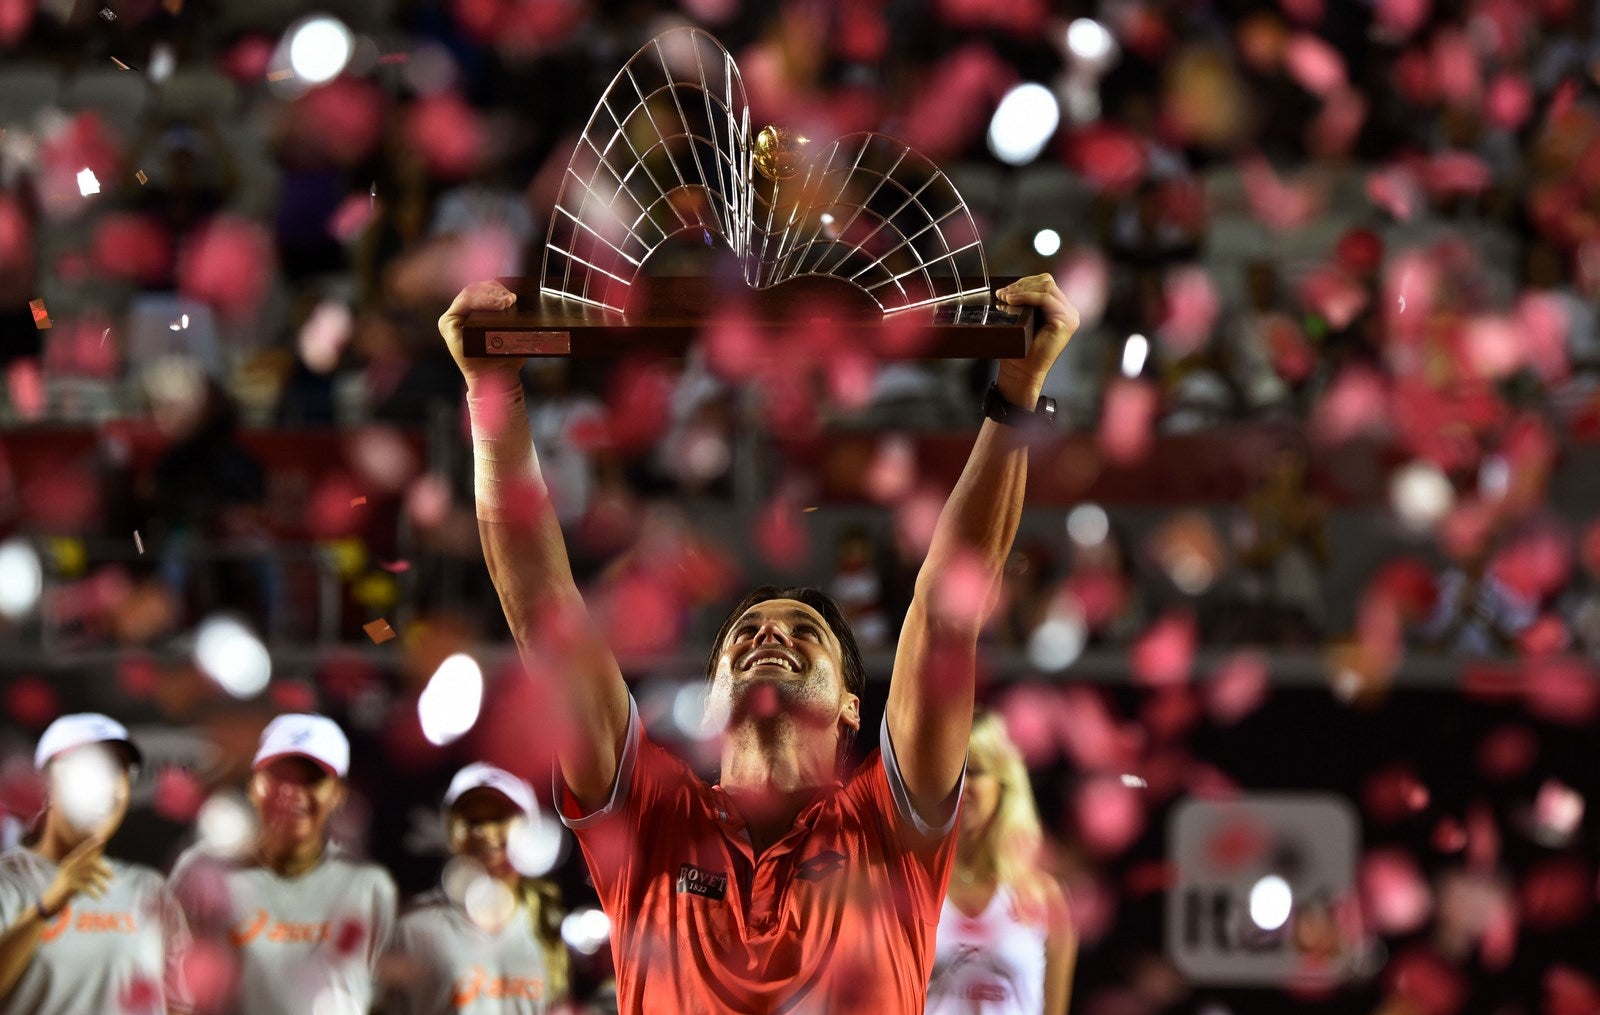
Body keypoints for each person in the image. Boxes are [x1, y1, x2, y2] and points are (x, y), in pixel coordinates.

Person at [438, 273, 1076, 1012]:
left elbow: (947, 611)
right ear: (709, 701)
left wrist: (1018, 393)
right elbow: (541, 606)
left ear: (848, 705)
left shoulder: (887, 825)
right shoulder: (651, 815)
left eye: (805, 632)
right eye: (745, 631)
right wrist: (491, 392)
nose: (769, 632)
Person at [170, 713, 396, 1014]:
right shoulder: (204, 874)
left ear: (338, 794)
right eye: (278, 775)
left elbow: (390, 992)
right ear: (253, 786)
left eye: (310, 779)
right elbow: (164, 986)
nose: (290, 791)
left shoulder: (368, 888)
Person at [0, 713, 191, 1014]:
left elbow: (183, 1002)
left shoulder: (147, 888)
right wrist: (45, 908)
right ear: (47, 782)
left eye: (120, 772)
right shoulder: (6, 883)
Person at [383, 763, 568, 1014]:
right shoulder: (413, 928)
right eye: (471, 820)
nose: (484, 831)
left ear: (530, 826)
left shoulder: (555, 924)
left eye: (500, 817)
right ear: (449, 832)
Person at [926, 712, 1076, 1014]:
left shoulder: (1043, 896)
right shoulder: (910, 888)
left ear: (1004, 783)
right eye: (952, 769)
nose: (961, 785)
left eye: (976, 770)